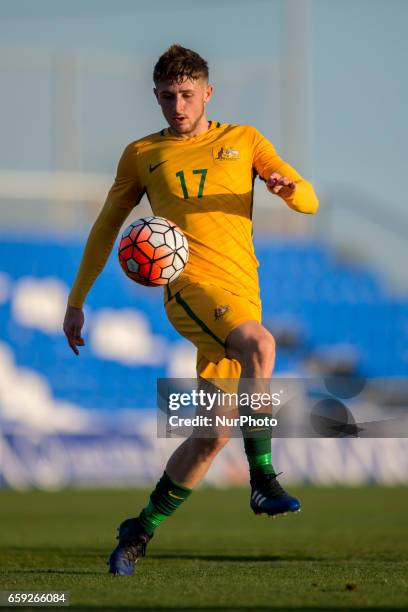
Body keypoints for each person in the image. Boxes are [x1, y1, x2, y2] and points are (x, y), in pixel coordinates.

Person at [63, 44, 319, 576]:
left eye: (185, 94)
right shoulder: (142, 153)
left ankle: (138, 530)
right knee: (262, 345)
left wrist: (289, 190)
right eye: (166, 97)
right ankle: (264, 479)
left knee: (211, 434)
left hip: (242, 293)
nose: (177, 107)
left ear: (207, 92)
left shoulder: (244, 141)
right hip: (189, 289)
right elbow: (108, 225)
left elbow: (310, 199)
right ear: (155, 96)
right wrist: (76, 299)